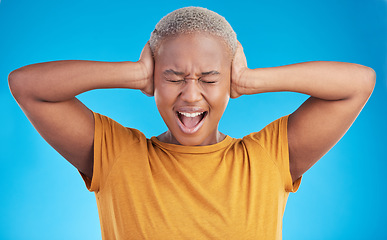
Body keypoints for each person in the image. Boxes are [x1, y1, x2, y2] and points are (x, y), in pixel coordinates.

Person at [8, 6, 375, 240]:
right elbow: (27, 85)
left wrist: (249, 80)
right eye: (173, 76)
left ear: (229, 80)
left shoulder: (269, 157)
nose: (191, 94)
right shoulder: (116, 155)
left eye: (210, 78)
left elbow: (358, 83)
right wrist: (134, 72)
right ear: (153, 80)